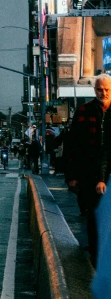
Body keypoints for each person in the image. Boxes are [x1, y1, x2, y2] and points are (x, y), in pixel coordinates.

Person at [65, 73, 111, 266]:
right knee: (92, 215)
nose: (104, 93)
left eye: (107, 89)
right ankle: (96, 254)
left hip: (108, 173)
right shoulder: (84, 111)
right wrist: (72, 176)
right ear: (94, 90)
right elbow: (72, 145)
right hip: (88, 173)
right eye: (100, 89)